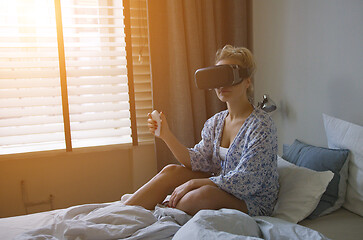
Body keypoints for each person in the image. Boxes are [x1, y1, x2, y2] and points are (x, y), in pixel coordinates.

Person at [124, 45, 279, 217]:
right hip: (222, 188)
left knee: (204, 194)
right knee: (171, 171)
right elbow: (197, 161)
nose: (222, 84)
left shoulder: (261, 126)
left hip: (251, 200)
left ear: (247, 81)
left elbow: (248, 180)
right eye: (217, 77)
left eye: (228, 76)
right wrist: (166, 135)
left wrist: (194, 184)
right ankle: (120, 213)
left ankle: (160, 214)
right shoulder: (215, 123)